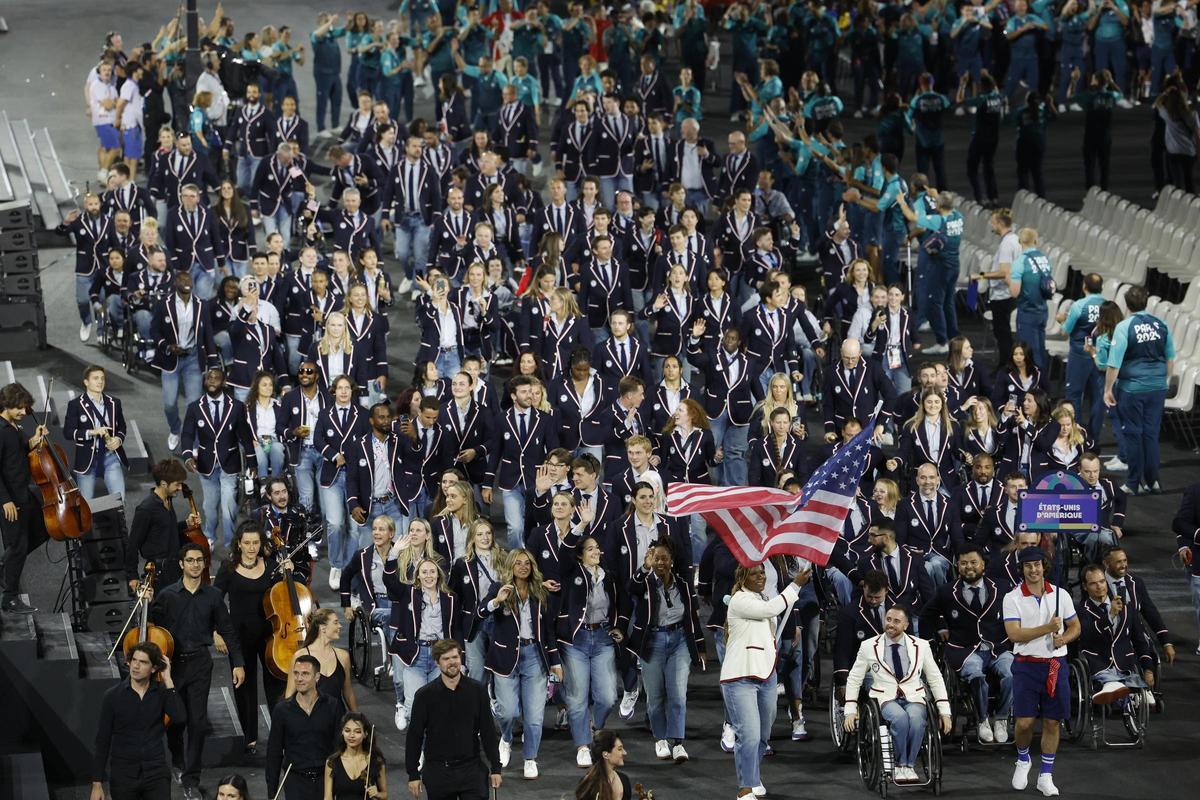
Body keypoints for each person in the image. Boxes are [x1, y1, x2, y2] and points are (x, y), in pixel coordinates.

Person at [149, 542, 245, 800]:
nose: (195, 564)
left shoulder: (213, 596)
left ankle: (191, 779)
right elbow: (151, 630)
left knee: (198, 723)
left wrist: (238, 663)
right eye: (190, 560)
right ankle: (178, 760)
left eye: (199, 560)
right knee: (176, 720)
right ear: (181, 564)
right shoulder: (167, 595)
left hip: (200, 663)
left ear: (204, 564)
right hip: (172, 664)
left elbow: (228, 630)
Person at [722, 562, 810, 798]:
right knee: (748, 735)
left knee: (762, 735)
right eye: (755, 573)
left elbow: (771, 615)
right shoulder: (740, 599)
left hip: (766, 676)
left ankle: (753, 775)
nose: (761, 575)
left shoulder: (762, 598)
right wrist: (796, 585)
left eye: (762, 572)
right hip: (740, 677)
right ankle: (745, 789)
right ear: (743, 577)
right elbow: (771, 609)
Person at [1003, 546, 1081, 797]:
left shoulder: (1061, 595)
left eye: (1037, 565)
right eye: (1028, 566)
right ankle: (1023, 759)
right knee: (1024, 722)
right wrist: (1047, 629)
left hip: (1055, 665)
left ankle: (1046, 774)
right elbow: (1014, 634)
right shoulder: (1011, 598)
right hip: (1026, 665)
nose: (1033, 570)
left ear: (1044, 567)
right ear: (1022, 569)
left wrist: (1064, 638)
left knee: (1052, 721)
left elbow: (1075, 626)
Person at [842, 606, 952, 784]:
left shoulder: (922, 646)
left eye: (896, 621)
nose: (890, 624)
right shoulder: (869, 646)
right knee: (900, 719)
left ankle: (908, 765)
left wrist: (944, 711)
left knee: (916, 720)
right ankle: (901, 764)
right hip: (885, 698)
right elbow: (854, 678)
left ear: (906, 625)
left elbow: (935, 678)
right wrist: (850, 710)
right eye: (888, 619)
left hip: (914, 696)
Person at [480, 548, 561, 778]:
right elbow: (480, 613)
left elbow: (548, 631)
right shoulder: (499, 588)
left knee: (535, 716)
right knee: (508, 713)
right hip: (505, 658)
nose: (523, 567)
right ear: (510, 566)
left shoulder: (540, 592)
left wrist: (555, 662)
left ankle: (530, 758)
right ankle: (506, 738)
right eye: (518, 563)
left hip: (535, 656)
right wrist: (496, 601)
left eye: (527, 563)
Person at [923, 544, 1013, 743]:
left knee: (1012, 673)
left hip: (997, 646)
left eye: (973, 562)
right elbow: (926, 615)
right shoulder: (946, 591)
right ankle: (982, 720)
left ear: (983, 565)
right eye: (963, 563)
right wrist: (935, 634)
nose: (968, 567)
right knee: (976, 675)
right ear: (957, 565)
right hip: (964, 649)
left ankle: (1001, 718)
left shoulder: (1003, 587)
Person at [628, 538, 706, 764]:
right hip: (651, 642)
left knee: (678, 695)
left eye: (664, 558)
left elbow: (692, 617)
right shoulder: (645, 581)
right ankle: (661, 738)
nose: (660, 562)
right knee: (655, 697)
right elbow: (631, 587)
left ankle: (678, 742)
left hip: (679, 640)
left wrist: (699, 646)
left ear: (672, 561)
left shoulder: (682, 583)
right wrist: (645, 567)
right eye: (656, 558)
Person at [405, 638, 503, 800]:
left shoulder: (477, 691)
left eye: (455, 657)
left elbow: (488, 731)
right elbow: (415, 735)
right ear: (437, 662)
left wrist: (496, 768)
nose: (452, 662)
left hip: (471, 769)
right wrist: (413, 773)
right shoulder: (424, 696)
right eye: (446, 659)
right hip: (438, 772)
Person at [90, 641, 184, 800]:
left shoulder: (162, 692)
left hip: (156, 773)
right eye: (134, 660)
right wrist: (97, 784)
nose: (136, 666)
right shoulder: (113, 696)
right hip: (123, 775)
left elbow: (180, 718)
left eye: (143, 662)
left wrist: (168, 678)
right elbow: (102, 740)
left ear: (153, 668)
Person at [1103, 285, 1173, 495]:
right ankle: (1153, 482)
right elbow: (1170, 358)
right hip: (1157, 387)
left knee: (1133, 434)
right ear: (1146, 301)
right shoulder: (1161, 324)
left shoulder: (1124, 327)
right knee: (1151, 434)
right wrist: (1165, 380)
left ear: (1127, 303)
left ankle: (1133, 483)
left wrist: (1108, 389)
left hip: (1132, 389)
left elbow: (1113, 364)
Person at [181, 367, 257, 550]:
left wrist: (252, 461)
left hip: (230, 463)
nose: (212, 380)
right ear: (204, 382)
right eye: (209, 378)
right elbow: (187, 435)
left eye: (216, 378)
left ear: (224, 382)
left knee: (229, 505)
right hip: (206, 465)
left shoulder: (236, 407)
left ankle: (230, 543)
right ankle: (210, 535)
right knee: (209, 507)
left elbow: (245, 436)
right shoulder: (194, 407)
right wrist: (187, 455)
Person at [0, 382, 50, 614]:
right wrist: (5, 500)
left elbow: (21, 451)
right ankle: (9, 599)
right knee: (17, 547)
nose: (24, 412)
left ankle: (4, 565)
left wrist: (35, 439)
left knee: (42, 530)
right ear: (7, 405)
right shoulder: (1, 430)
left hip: (24, 494)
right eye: (19, 408)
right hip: (10, 500)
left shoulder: (15, 427)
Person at [1077, 564, 1155, 706]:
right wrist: (1110, 614)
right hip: (1099, 664)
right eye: (1093, 583)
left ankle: (1125, 693)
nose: (1099, 586)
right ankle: (1121, 693)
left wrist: (1148, 668)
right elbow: (1088, 635)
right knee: (1111, 683)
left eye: (1101, 581)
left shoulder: (1127, 607)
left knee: (1143, 695)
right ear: (1084, 586)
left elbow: (1140, 640)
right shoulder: (1081, 611)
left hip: (1125, 663)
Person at [267, 654, 341, 800]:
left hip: (325, 780)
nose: (299, 679)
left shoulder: (332, 705)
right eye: (296, 673)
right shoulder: (282, 710)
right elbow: (274, 752)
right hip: (295, 782)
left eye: (305, 674)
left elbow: (339, 747)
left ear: (317, 677)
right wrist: (271, 793)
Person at [125, 459, 199, 592]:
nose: (181, 488)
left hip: (174, 568)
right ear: (164, 484)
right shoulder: (146, 509)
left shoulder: (168, 500)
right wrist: (132, 576)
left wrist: (186, 524)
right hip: (159, 574)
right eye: (177, 484)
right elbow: (132, 544)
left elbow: (166, 530)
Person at [61, 365, 127, 502]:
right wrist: (92, 432)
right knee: (86, 505)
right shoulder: (75, 405)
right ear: (86, 382)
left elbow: (122, 427)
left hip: (110, 457)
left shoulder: (114, 403)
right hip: (87, 460)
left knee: (119, 501)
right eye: (95, 378)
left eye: (102, 378)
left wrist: (118, 440)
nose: (100, 382)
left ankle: (120, 524)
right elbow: (68, 432)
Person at [284, 608, 358, 713]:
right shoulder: (300, 656)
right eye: (335, 623)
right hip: (310, 720)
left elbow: (348, 691)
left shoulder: (343, 656)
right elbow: (290, 695)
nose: (340, 626)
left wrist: (357, 718)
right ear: (323, 628)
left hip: (337, 719)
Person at [972, 208, 1020, 359]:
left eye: (993, 223)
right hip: (1009, 293)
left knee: (1002, 334)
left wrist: (981, 275)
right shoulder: (1015, 239)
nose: (991, 226)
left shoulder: (1006, 244)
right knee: (1003, 333)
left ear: (999, 223)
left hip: (1002, 295)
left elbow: (1003, 272)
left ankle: (1006, 366)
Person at [1006, 228, 1053, 371]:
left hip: (1027, 312)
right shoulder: (1044, 259)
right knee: (1040, 348)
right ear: (1036, 241)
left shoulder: (1020, 262)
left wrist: (1008, 280)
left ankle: (1034, 386)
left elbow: (1014, 292)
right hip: (1042, 310)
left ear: (1020, 242)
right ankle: (1042, 384)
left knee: (1029, 352)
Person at [323, 711, 387, 800]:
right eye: (347, 730)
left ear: (365, 734)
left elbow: (385, 795)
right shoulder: (332, 762)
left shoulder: (376, 761)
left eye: (357, 731)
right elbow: (328, 797)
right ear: (342, 732)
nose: (351, 735)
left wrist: (377, 794)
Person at [573, 729, 631, 800]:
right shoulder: (589, 785)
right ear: (606, 755)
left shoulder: (624, 780)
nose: (625, 753)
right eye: (619, 749)